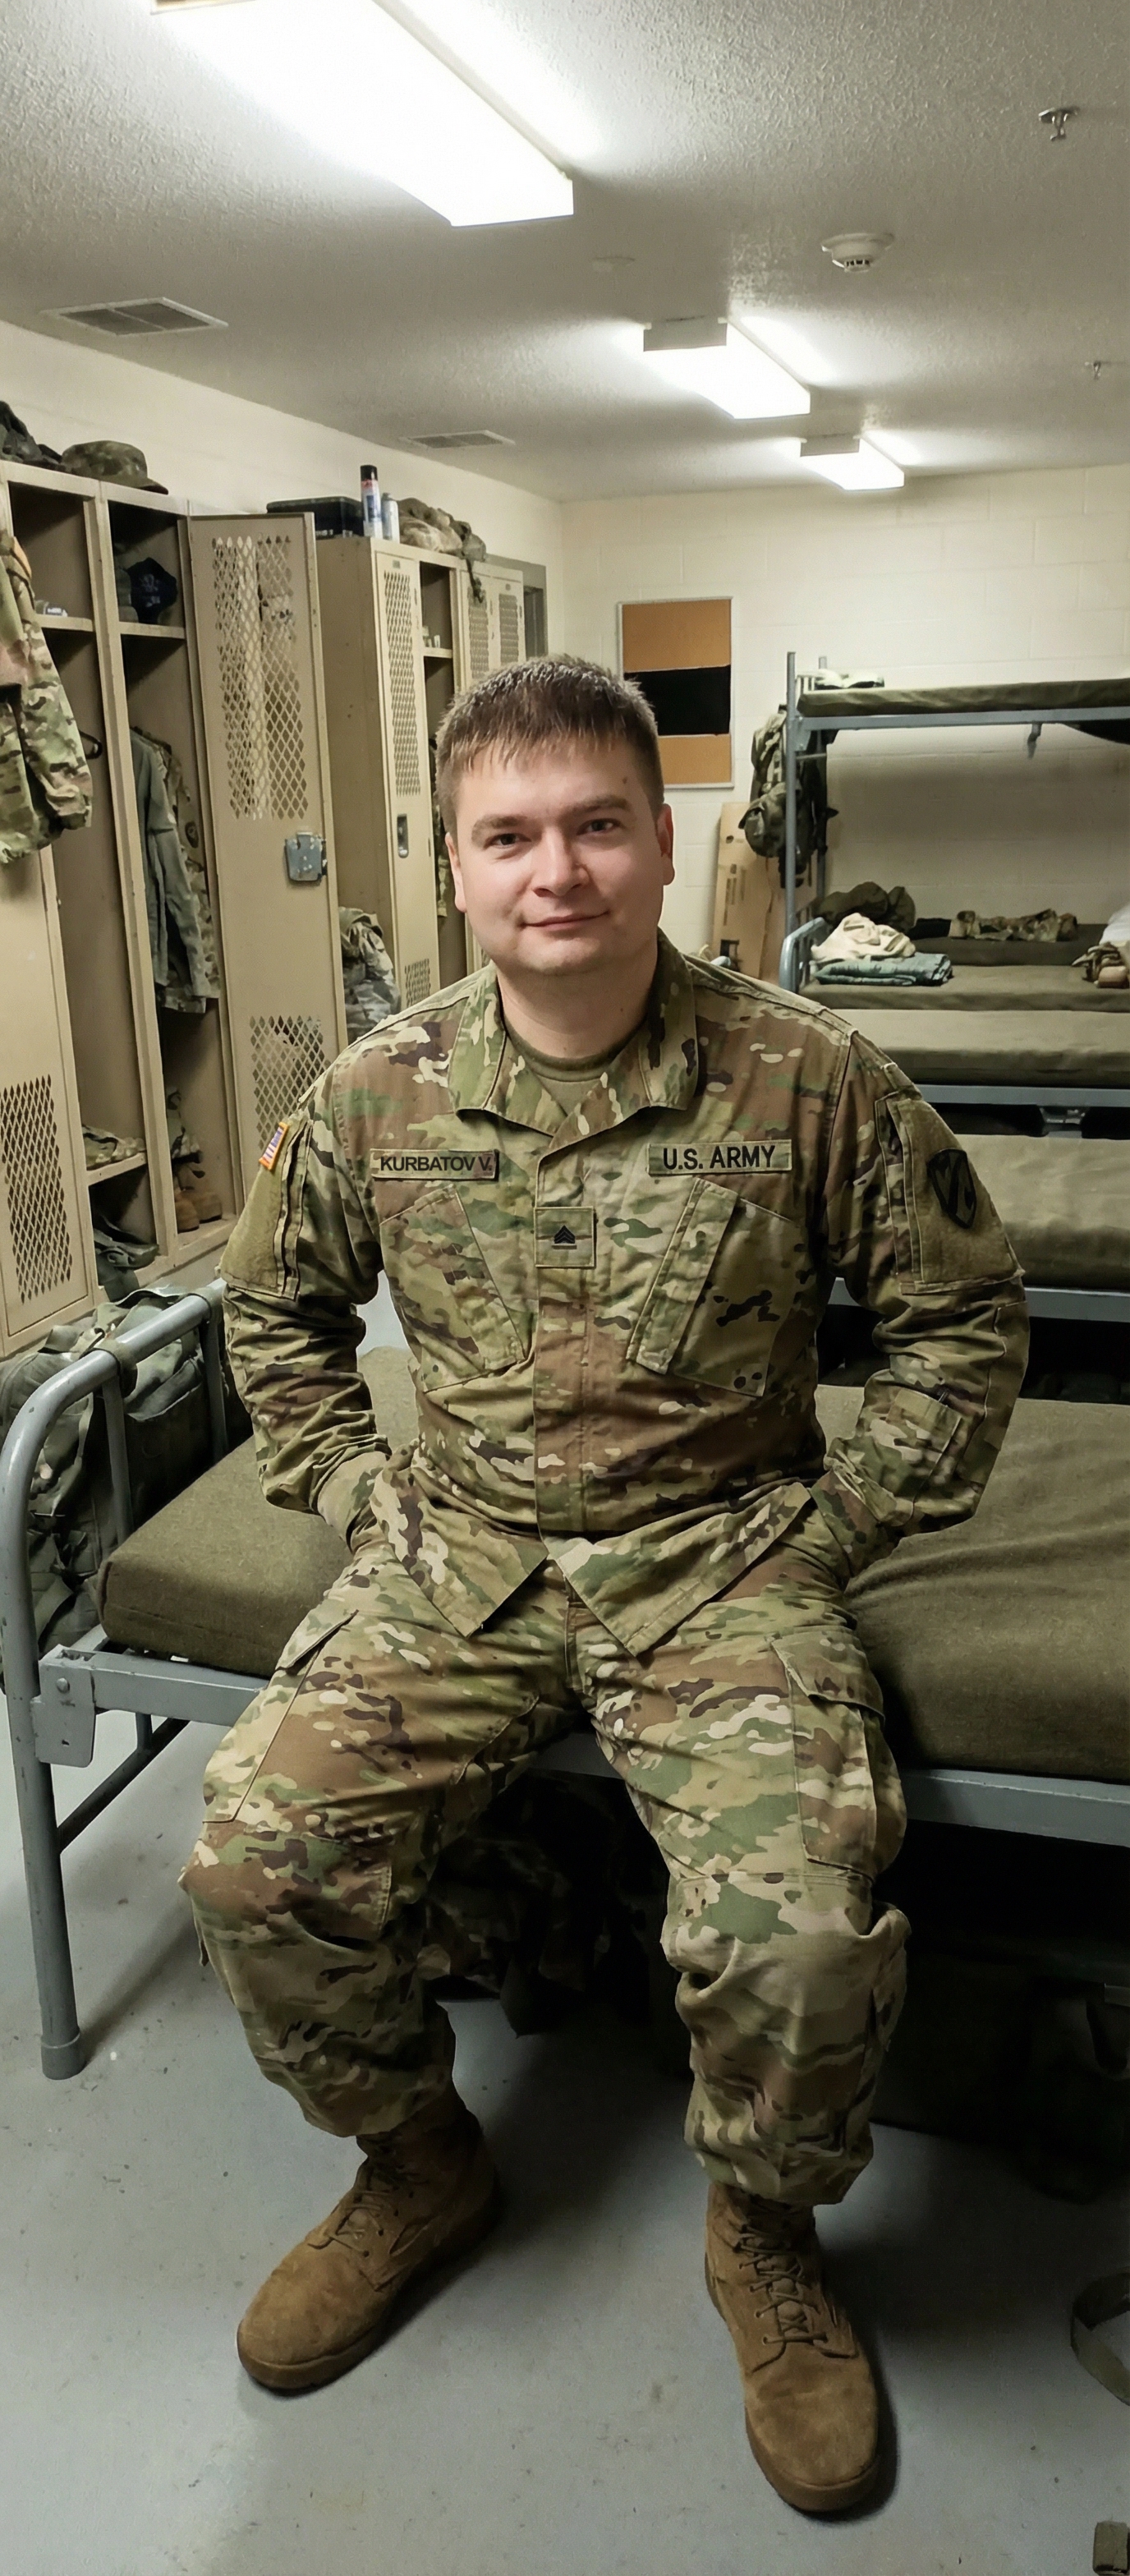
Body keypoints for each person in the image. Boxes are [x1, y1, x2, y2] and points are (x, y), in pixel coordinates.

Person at [181, 656, 1027, 2514]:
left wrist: (838, 1522)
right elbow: (276, 1312)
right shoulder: (376, 1090)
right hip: (461, 1554)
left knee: (802, 1939)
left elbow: (961, 1322)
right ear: (456, 867)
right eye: (508, 836)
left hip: (724, 1558)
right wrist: (352, 1485)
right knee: (252, 1861)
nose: (553, 870)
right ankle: (418, 2164)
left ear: (658, 840)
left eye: (594, 826)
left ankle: (766, 2233)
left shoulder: (805, 1076)